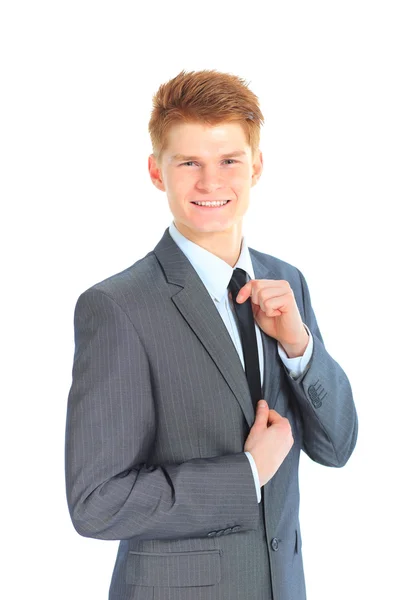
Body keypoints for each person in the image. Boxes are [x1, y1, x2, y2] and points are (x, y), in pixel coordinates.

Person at [65, 69, 358, 600]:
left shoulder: (287, 282)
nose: (211, 183)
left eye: (229, 161)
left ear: (257, 166)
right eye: (189, 163)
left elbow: (337, 446)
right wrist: (245, 474)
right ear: (157, 172)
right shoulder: (116, 307)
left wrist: (299, 349)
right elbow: (96, 503)